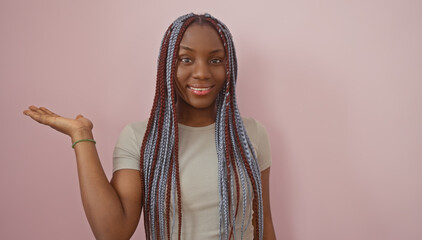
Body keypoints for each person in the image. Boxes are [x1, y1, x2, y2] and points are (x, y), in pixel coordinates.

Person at [23, 13, 276, 240]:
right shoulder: (139, 138)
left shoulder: (250, 134)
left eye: (216, 60)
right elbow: (113, 232)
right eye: (186, 59)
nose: (202, 72)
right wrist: (81, 136)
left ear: (229, 66)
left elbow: (263, 225)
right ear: (167, 66)